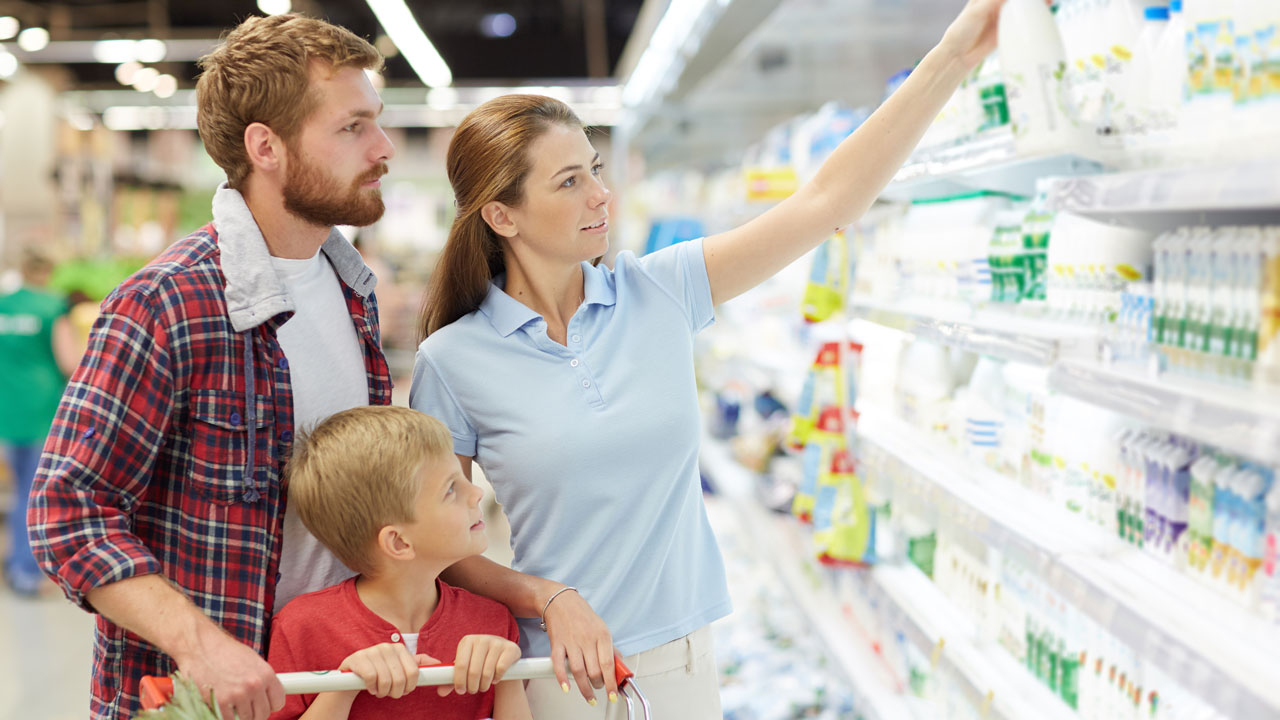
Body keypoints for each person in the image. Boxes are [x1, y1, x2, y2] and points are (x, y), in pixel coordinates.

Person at [409, 0, 1013, 716]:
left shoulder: (658, 291)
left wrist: (953, 55)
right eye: (568, 181)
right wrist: (547, 596)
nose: (602, 195)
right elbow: (430, 549)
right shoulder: (453, 361)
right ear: (501, 216)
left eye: (596, 169)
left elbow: (825, 201)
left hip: (682, 666)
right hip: (552, 676)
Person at [27, 13, 395, 720]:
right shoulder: (166, 303)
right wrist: (201, 643)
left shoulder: (354, 294)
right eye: (352, 127)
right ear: (266, 146)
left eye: (375, 122)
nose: (381, 148)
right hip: (202, 701)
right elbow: (67, 509)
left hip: (329, 692)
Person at [267, 405, 532, 720]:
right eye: (451, 489)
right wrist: (344, 687)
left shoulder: (493, 622)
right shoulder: (302, 628)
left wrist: (507, 675)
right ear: (399, 542)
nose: (475, 492)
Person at [0, 248, 78, 596]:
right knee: (33, 495)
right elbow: (69, 362)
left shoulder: (4, 304)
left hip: (6, 412)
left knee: (15, 492)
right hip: (41, 413)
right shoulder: (53, 307)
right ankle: (25, 571)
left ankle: (15, 563)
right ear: (46, 269)